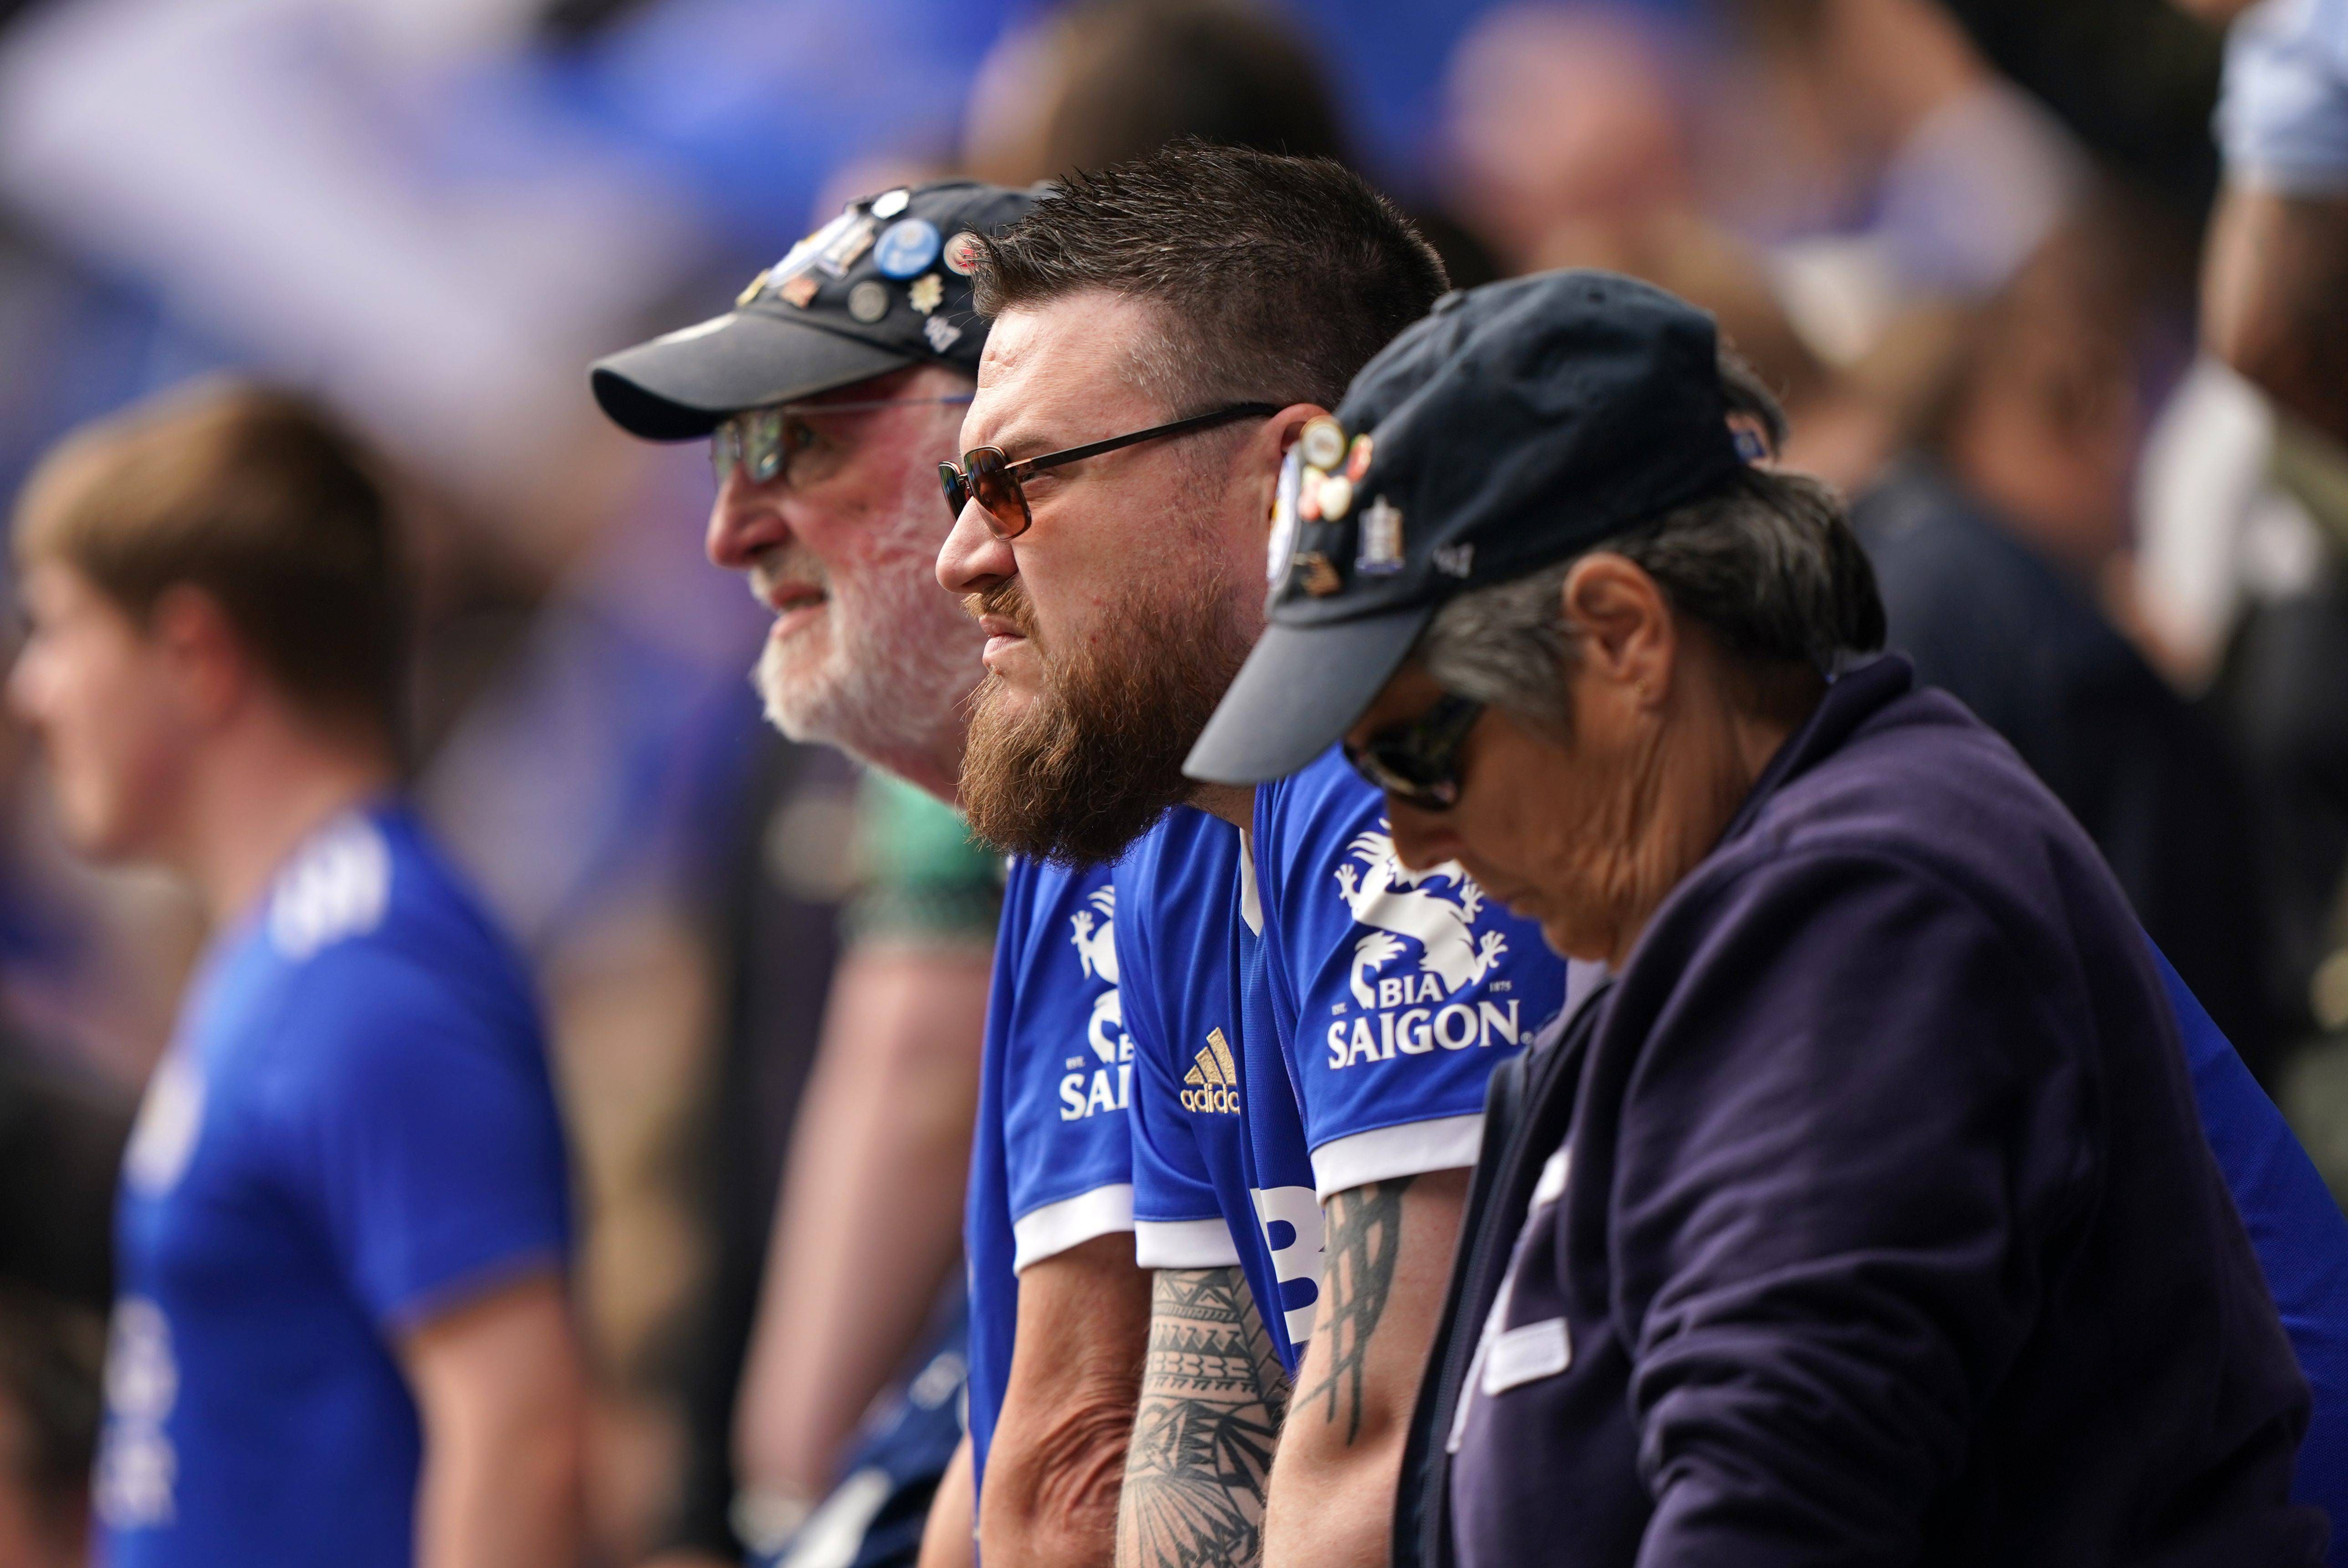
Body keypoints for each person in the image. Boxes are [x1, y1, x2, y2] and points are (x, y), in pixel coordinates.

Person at [1186, 267, 2345, 1566]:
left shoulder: (1863, 911)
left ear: (1621, 636)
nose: (1408, 835)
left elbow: (1770, 1517)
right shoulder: (1735, 924)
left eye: (1415, 755)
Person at [935, 142, 1564, 1568]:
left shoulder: (1397, 766)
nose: (962, 555)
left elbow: (1366, 1474)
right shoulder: (1182, 834)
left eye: (1019, 480)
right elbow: (1199, 1456)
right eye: (959, 485)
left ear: (1290, 479)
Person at [593, 178, 1150, 1568]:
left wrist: (786, 1504)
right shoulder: (1059, 872)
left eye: (794, 440)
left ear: (1004, 446)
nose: (730, 529)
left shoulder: (1185, 855)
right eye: (729, 453)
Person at [6, 383, 584, 1568]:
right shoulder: (292, 949)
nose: (31, 691)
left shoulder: (369, 968)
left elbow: (520, 1439)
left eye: (55, 628)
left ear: (193, 654)